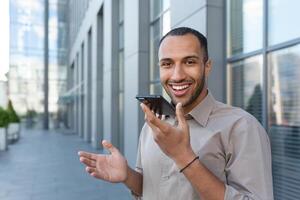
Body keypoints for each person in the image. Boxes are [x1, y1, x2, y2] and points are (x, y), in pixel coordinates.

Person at [78, 27, 273, 200]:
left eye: (189, 62)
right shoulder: (153, 124)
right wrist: (128, 176)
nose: (177, 75)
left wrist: (184, 157)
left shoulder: (241, 126)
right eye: (167, 64)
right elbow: (151, 187)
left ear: (207, 66)